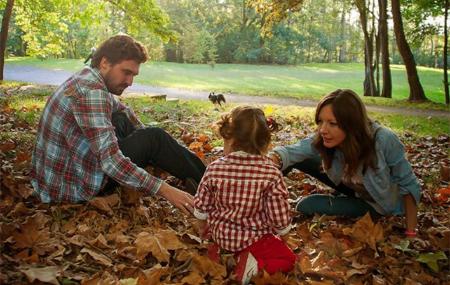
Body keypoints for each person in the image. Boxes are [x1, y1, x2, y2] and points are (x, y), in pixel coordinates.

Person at [31, 35, 205, 214]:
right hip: (72, 186)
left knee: (123, 119)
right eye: (126, 72)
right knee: (155, 138)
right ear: (105, 63)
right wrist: (165, 190)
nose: (130, 82)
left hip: (55, 179)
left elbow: (122, 109)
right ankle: (211, 182)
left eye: (133, 75)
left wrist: (145, 139)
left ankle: (191, 172)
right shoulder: (93, 94)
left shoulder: (87, 77)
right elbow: (110, 162)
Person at [269, 89, 421, 237]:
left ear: (352, 124)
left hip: (374, 203)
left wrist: (411, 232)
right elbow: (293, 151)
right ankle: (260, 210)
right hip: (350, 184)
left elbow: (409, 185)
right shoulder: (327, 137)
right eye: (321, 121)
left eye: (332, 123)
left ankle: (346, 205)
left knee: (305, 205)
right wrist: (269, 160)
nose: (323, 130)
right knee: (288, 159)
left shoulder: (383, 139)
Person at [193, 106, 296, 285]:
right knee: (289, 259)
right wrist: (284, 235)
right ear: (265, 143)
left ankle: (219, 254)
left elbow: (202, 206)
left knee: (217, 236)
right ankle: (253, 268)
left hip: (220, 235)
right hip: (254, 240)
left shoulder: (215, 168)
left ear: (229, 138)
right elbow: (278, 215)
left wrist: (203, 228)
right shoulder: (270, 173)